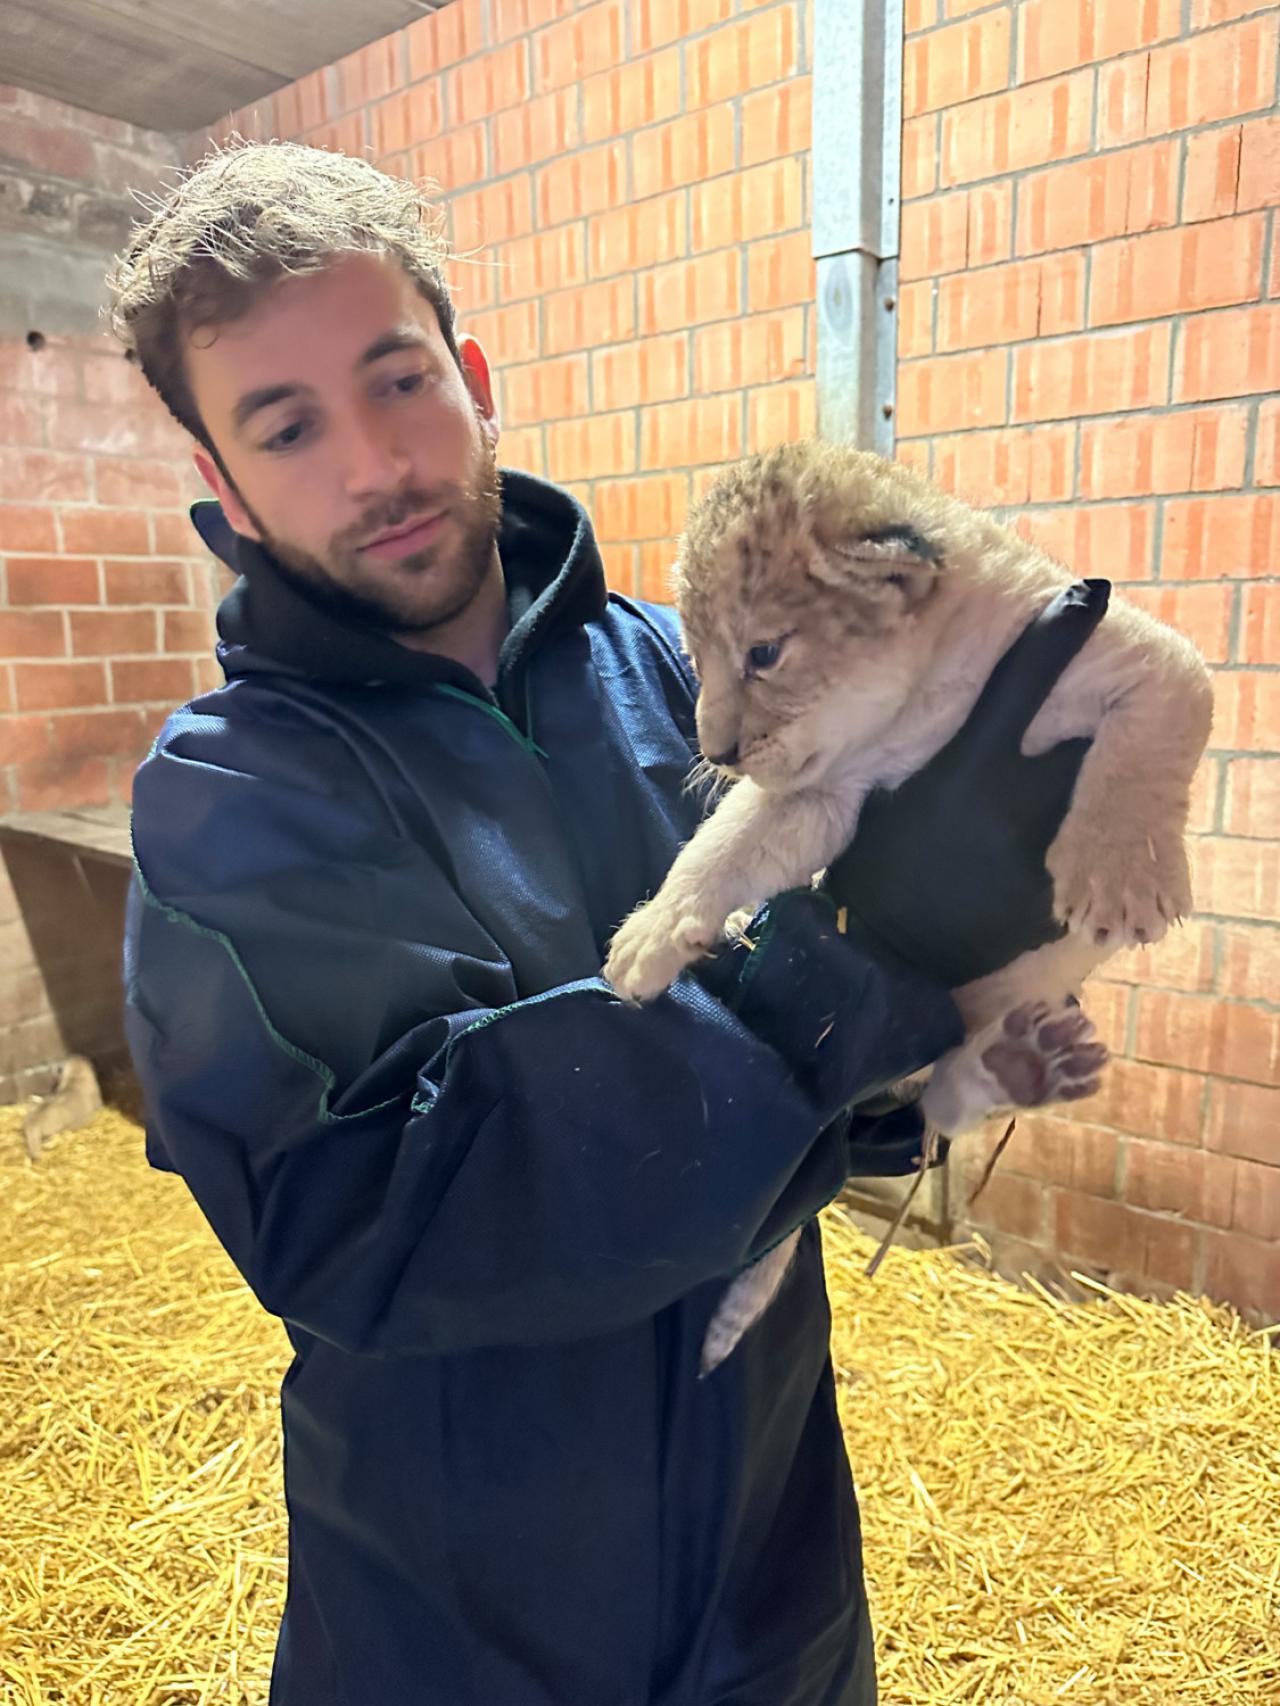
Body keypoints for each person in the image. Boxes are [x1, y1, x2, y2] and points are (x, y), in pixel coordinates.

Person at [109, 141, 1105, 1706]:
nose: (374, 461)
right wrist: (829, 974)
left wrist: (954, 972)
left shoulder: (684, 673)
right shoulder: (228, 803)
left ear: (475, 375)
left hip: (769, 1587)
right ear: (223, 492)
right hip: (455, 1632)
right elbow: (389, 1208)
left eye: (398, 380)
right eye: (286, 426)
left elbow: (840, 1069)